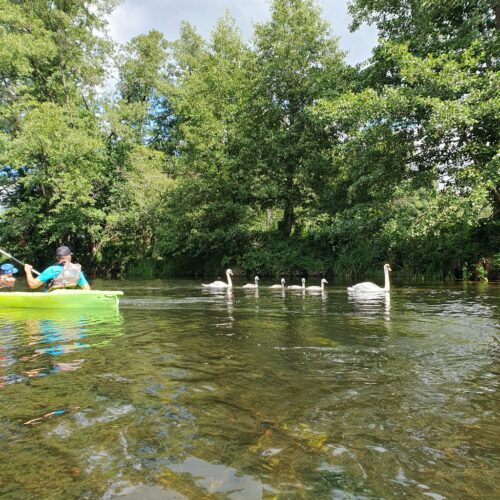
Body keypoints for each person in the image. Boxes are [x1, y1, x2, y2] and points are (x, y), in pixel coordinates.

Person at [24, 246, 91, 291]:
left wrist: (28, 271)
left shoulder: (52, 270)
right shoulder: (77, 271)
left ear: (57, 258)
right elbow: (87, 290)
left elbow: (32, 285)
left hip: (52, 301)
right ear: (70, 257)